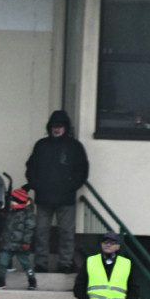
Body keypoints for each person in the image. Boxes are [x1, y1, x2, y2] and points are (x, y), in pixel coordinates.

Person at [25, 110, 89, 273]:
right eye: (54, 126)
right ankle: (41, 263)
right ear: (49, 127)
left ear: (66, 128)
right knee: (41, 232)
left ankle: (65, 263)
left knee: (66, 233)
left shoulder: (75, 147)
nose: (56, 129)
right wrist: (36, 184)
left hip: (66, 198)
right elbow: (30, 167)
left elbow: (82, 170)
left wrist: (71, 186)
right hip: (43, 197)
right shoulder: (41, 145)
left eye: (59, 126)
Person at [0, 187, 37, 290]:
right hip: (8, 244)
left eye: (13, 201)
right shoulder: (11, 213)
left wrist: (26, 242)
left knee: (26, 264)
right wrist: (2, 240)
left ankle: (32, 280)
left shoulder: (28, 215)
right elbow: (6, 229)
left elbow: (29, 230)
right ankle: (1, 280)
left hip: (20, 245)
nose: (11, 203)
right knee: (2, 262)